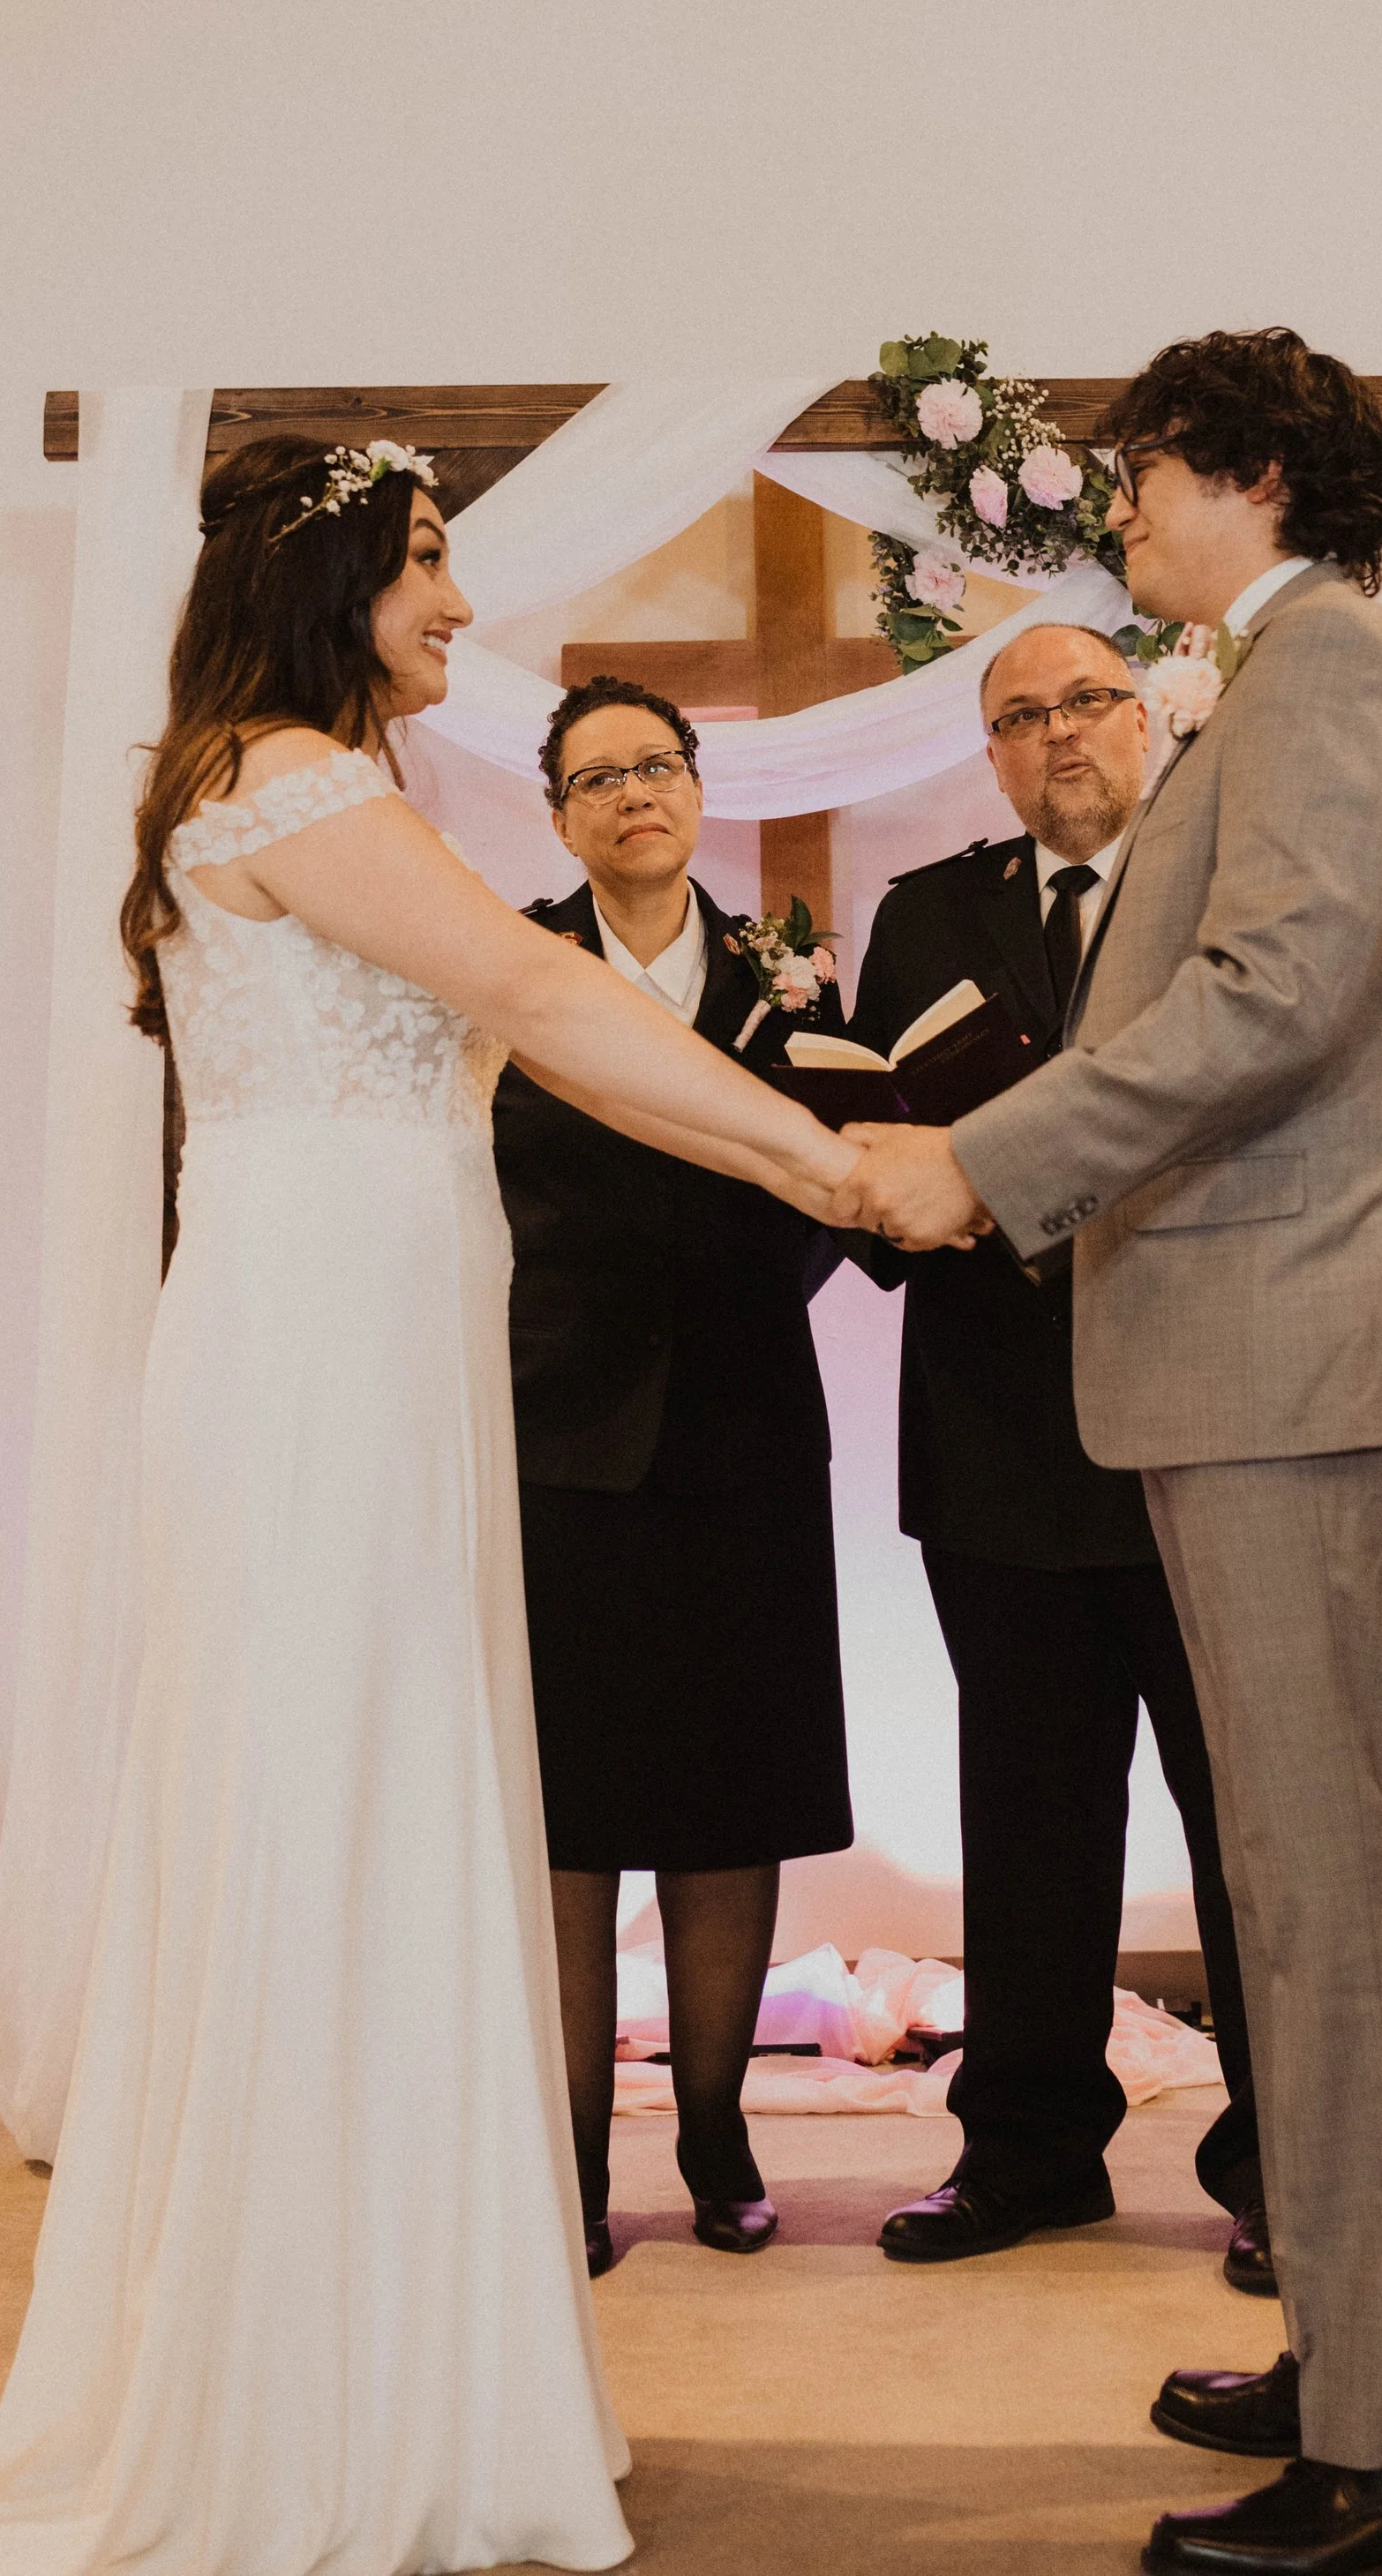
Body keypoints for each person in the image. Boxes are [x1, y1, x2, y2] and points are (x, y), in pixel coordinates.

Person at [0, 437, 854, 2576]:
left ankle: (406, 2367)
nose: (459, 601)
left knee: (387, 1789)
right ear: (332, 571)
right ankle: (309, 2397)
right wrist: (831, 1161)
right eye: (432, 562)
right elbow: (547, 1007)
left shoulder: (298, 782)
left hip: (370, 1325)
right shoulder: (291, 782)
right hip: (319, 1351)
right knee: (333, 1793)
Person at [840, 332, 1382, 2576]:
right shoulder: (1275, 673)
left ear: (1242, 470)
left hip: (1306, 1342)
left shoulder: (1330, 665)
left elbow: (1275, 996)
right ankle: (1356, 2351)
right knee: (1304, 1902)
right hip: (1261, 1349)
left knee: (1338, 1915)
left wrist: (983, 1161)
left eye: (1137, 476)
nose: (1117, 515)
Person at [850, 620, 1273, 2294]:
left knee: (1249, 1823)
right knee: (1024, 1822)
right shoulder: (927, 912)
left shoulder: (1227, 886)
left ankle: (1285, 2165)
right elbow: (889, 1145)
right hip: (1003, 1441)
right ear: (993, 754)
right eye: (1018, 718)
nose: (1056, 737)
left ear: (1148, 718)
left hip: (1202, 1429)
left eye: (1085, 700)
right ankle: (1025, 2152)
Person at [492, 675, 855, 2274]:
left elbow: (835, 1175)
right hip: (558, 1436)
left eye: (657, 763)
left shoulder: (794, 968)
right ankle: (569, 2157)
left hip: (746, 1428)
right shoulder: (508, 963)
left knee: (730, 1798)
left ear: (698, 787)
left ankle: (716, 2125)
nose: (633, 792)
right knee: (570, 1814)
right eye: (596, 776)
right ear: (559, 815)